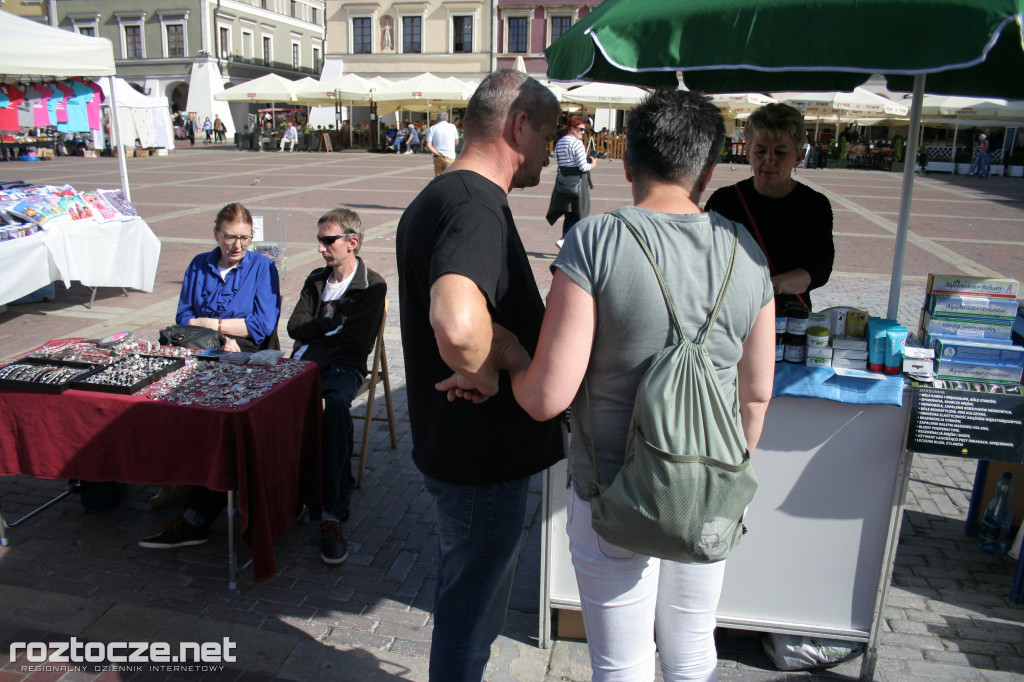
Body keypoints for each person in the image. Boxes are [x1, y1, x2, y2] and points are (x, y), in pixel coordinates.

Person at [438, 88, 776, 682]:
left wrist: (512, 354)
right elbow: (757, 394)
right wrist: (721, 470)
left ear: (626, 163)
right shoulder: (747, 252)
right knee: (693, 648)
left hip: (612, 493)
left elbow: (547, 398)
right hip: (709, 494)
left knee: (622, 663)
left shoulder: (596, 242)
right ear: (709, 169)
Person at [395, 69, 563, 680]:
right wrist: (509, 357)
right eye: (548, 136)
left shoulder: (442, 197)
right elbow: (460, 328)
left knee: (463, 600)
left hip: (463, 452)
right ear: (519, 126)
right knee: (471, 618)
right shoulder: (474, 204)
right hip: (483, 458)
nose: (550, 151)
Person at [140, 202, 283, 543]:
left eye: (245, 238)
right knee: (165, 401)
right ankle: (178, 475)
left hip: (243, 354)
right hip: (201, 348)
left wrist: (207, 324)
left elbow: (260, 327)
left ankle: (197, 509)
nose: (238, 246)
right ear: (216, 234)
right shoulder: (199, 264)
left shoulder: (263, 268)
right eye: (231, 237)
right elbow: (183, 317)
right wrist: (218, 332)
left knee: (216, 414)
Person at [287, 208, 387, 564]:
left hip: (342, 369)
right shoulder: (316, 279)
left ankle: (332, 513)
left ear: (352, 243)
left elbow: (357, 343)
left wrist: (321, 332)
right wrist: (331, 324)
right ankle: (285, 497)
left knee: (335, 411)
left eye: (328, 241)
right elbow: (294, 327)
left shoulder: (371, 285)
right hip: (304, 364)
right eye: (319, 240)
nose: (321, 248)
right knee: (268, 406)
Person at [704, 103, 834, 311]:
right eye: (761, 151)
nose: (769, 160)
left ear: (798, 158)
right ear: (748, 154)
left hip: (788, 316)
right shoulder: (724, 200)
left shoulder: (814, 205)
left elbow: (819, 270)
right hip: (733, 312)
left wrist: (772, 286)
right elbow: (706, 257)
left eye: (780, 152)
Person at [546, 115, 595, 246]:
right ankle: (565, 239)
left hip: (563, 181)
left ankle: (565, 240)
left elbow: (559, 160)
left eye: (584, 130)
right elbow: (583, 166)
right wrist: (593, 164)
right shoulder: (577, 143)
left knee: (569, 213)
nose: (583, 133)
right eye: (581, 129)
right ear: (572, 128)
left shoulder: (560, 142)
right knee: (580, 212)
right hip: (577, 182)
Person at [424, 111, 459, 176]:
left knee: (438, 178)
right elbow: (456, 142)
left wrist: (437, 153)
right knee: (450, 178)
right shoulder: (452, 127)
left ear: (437, 119)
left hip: (438, 156)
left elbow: (428, 145)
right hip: (450, 155)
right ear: (447, 118)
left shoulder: (432, 128)